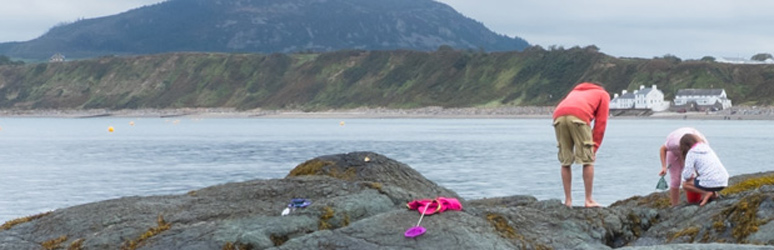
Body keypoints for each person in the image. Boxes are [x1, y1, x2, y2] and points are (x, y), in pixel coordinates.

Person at [552, 82, 609, 207]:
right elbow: (601, 123)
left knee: (565, 160)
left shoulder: (575, 91)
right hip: (579, 116)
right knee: (587, 160)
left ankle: (568, 201)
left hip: (558, 116)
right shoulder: (603, 94)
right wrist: (594, 149)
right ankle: (588, 200)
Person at [659, 127, 708, 206]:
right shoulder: (673, 143)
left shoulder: (703, 145)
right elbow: (662, 149)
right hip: (674, 153)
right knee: (675, 179)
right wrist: (664, 167)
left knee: (698, 175)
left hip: (692, 150)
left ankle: (701, 199)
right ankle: (675, 206)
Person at [679, 133, 729, 206]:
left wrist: (687, 175)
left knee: (685, 184)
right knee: (705, 176)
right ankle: (714, 194)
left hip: (712, 181)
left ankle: (707, 193)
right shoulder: (707, 148)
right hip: (723, 181)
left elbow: (687, 176)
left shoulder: (691, 152)